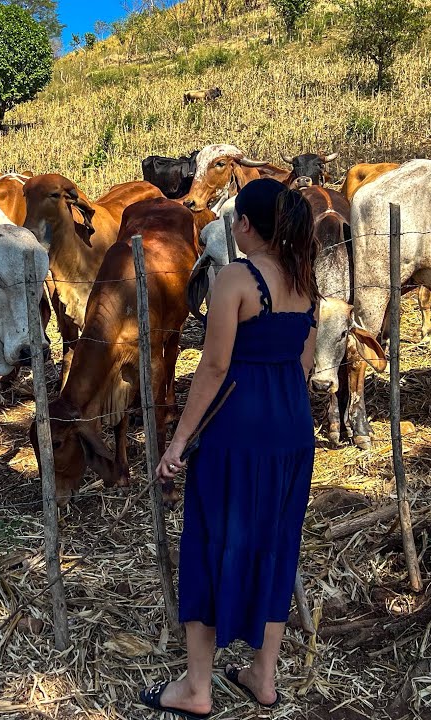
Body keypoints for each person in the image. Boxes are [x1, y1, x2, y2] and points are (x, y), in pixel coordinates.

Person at [139, 178, 319, 718]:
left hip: (237, 429)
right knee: (276, 544)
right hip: (291, 428)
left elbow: (214, 367)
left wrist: (178, 441)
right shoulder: (304, 279)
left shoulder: (237, 278)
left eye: (236, 218)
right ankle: (264, 676)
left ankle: (197, 687)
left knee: (211, 542)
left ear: (244, 225)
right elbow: (305, 365)